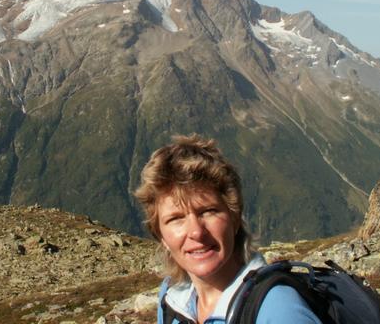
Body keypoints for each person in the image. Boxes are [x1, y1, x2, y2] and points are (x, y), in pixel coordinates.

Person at [134, 134, 322, 324]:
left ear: (235, 218)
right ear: (161, 236)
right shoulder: (171, 300)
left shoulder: (278, 310)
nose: (196, 232)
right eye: (176, 219)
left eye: (208, 211)